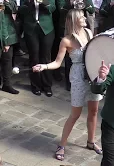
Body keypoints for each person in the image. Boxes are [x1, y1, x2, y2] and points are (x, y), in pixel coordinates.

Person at [32, 9, 103, 161]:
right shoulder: (66, 40)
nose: (84, 18)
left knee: (94, 111)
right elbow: (58, 62)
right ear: (73, 20)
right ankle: (62, 145)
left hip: (92, 74)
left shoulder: (90, 33)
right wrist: (44, 66)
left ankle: (91, 141)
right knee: (75, 114)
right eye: (81, 16)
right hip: (78, 76)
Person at [19, 0, 56, 96]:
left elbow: (52, 9)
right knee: (34, 57)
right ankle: (35, 85)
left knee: (46, 57)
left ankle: (47, 85)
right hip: (31, 29)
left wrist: (43, 1)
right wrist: (30, 1)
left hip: (46, 28)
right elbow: (22, 11)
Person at [56, 0, 95, 91]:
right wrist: (70, 3)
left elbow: (91, 9)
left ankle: (85, 77)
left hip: (81, 26)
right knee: (69, 56)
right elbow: (60, 9)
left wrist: (84, 2)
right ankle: (69, 82)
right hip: (68, 26)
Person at [1, 0, 19, 94]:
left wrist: (6, 1)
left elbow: (14, 9)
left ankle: (7, 84)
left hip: (8, 29)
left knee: (7, 58)